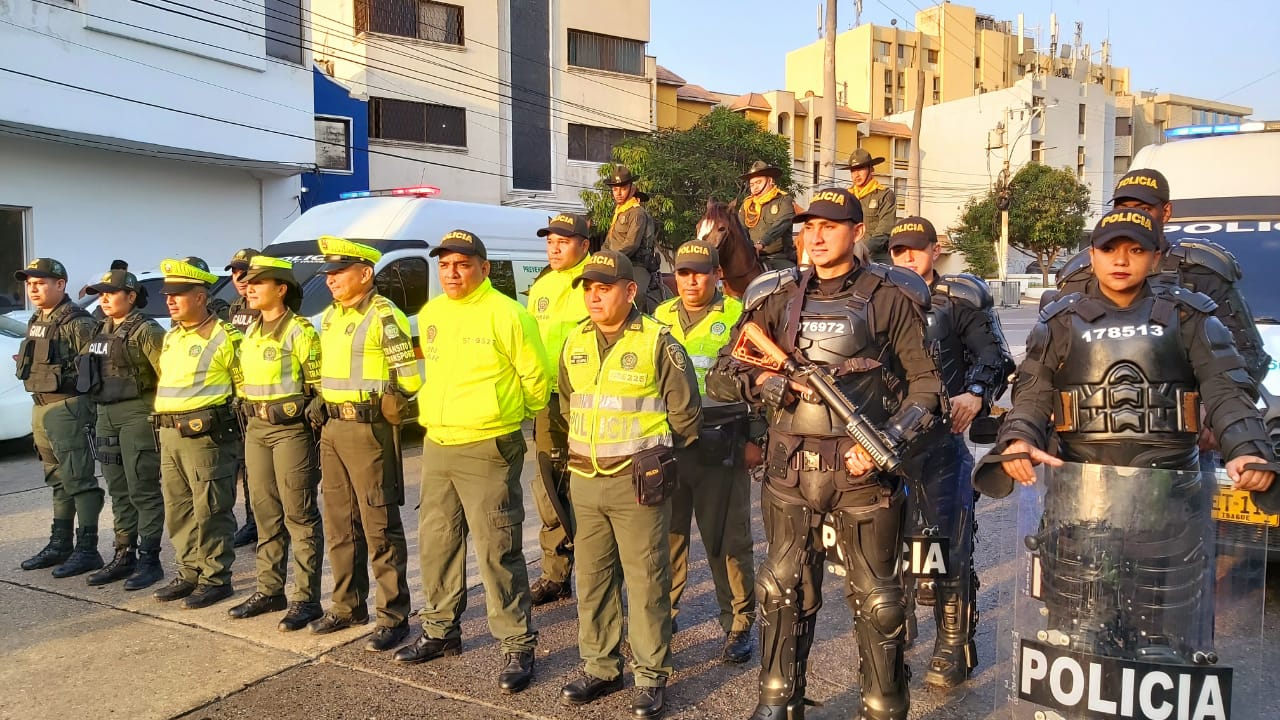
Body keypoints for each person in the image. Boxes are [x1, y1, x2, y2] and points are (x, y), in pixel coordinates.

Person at [974, 208, 1277, 660]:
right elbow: (1032, 394)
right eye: (1110, 249)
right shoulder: (1058, 321)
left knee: (1164, 652)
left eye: (1136, 250)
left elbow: (1227, 390)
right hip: (1080, 509)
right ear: (1092, 256)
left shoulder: (1190, 315)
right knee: (1080, 646)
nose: (1122, 260)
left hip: (1169, 508)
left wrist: (1248, 449)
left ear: (1156, 258)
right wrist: (1019, 439)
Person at [706, 188, 944, 720]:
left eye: (830, 226)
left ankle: (884, 705)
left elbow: (929, 389)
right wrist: (772, 385)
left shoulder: (889, 296)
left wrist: (889, 441)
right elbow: (725, 372)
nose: (815, 235)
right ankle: (776, 700)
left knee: (878, 601)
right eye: (809, 225)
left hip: (862, 473)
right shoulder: (777, 295)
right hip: (789, 466)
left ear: (857, 233)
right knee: (778, 588)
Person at [394, 230, 548, 692]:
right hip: (439, 443)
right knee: (437, 542)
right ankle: (441, 630)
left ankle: (517, 644)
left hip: (487, 445)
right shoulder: (433, 313)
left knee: (496, 548)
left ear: (483, 267)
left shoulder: (509, 314)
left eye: (462, 264)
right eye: (444, 266)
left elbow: (536, 380)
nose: (452, 273)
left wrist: (503, 418)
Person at [557, 250, 701, 720]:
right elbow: (567, 405)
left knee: (646, 583)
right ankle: (601, 667)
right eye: (588, 288)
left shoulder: (660, 342)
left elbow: (686, 416)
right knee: (593, 580)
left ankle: (650, 675)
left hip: (638, 484)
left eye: (605, 287)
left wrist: (658, 458)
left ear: (630, 291)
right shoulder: (573, 341)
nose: (594, 296)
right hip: (586, 480)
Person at [887, 217, 1014, 688]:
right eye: (897, 252)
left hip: (941, 441)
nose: (906, 260)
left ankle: (951, 645)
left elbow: (995, 356)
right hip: (885, 443)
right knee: (888, 549)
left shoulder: (958, 298)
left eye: (914, 251)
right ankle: (892, 636)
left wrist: (977, 393)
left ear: (933, 250)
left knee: (946, 550)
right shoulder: (878, 297)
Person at [1054, 168, 1271, 388]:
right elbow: (1049, 365)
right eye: (1123, 209)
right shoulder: (1082, 274)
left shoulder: (1202, 273)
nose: (1133, 217)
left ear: (1166, 212)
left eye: (1144, 209)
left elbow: (1248, 358)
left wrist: (1209, 406)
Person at [309, 236, 421, 652]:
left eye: (339, 273)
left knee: (379, 525)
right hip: (333, 429)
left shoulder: (383, 314)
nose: (332, 280)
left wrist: (388, 398)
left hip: (368, 430)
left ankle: (393, 614)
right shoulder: (330, 317)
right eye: (330, 274)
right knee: (340, 523)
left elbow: (408, 378)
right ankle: (346, 605)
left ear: (365, 273)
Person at [651, 240, 757, 664]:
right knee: (667, 537)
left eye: (700, 272)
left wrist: (757, 438)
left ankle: (738, 623)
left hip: (721, 444)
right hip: (668, 444)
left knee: (726, 541)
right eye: (683, 272)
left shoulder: (737, 315)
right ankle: (665, 614)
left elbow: (759, 380)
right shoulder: (657, 317)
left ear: (716, 274)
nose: (691, 280)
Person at [226, 256, 326, 632]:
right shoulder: (250, 330)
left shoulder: (299, 330)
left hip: (289, 432)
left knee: (298, 514)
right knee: (265, 512)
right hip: (255, 429)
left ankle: (305, 599)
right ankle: (270, 590)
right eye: (248, 282)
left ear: (281, 288)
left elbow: (317, 388)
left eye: (258, 282)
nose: (249, 288)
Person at [150, 257, 243, 609]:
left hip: (205, 436)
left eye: (178, 294)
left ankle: (216, 577)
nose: (170, 300)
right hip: (170, 434)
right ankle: (189, 572)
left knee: (211, 508)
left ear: (201, 296)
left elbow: (243, 385)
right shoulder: (173, 335)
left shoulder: (226, 336)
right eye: (167, 294)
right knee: (179, 508)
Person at [78, 269, 167, 590]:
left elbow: (167, 377)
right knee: (117, 487)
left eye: (111, 292)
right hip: (105, 414)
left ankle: (149, 559)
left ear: (130, 296)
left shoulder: (147, 330)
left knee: (142, 487)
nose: (103, 298)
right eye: (101, 292)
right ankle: (123, 553)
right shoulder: (100, 328)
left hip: (137, 413)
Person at [16, 258, 104, 578]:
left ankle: (88, 549)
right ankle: (60, 543)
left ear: (60, 285)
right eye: (30, 283)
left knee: (79, 480)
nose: (33, 288)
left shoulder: (77, 322)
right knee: (57, 479)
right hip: (42, 407)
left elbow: (95, 371)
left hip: (68, 407)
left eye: (40, 283)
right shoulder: (38, 319)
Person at [525, 213, 592, 605]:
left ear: (584, 245)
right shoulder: (541, 286)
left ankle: (595, 569)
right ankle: (555, 572)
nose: (553, 247)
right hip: (546, 401)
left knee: (587, 484)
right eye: (550, 240)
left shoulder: (596, 284)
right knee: (549, 486)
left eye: (563, 241)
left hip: (585, 401)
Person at [225, 248, 261, 549]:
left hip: (266, 398)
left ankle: (270, 524)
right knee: (246, 463)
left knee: (266, 470)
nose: (238, 277)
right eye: (235, 271)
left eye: (244, 270)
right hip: (239, 399)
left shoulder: (271, 305)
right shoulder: (234, 307)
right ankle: (252, 522)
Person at [603, 165, 662, 313]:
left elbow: (632, 244)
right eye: (615, 189)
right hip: (615, 263)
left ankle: (640, 323)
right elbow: (608, 242)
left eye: (622, 188)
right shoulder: (618, 213)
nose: (618, 193)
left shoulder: (637, 213)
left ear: (632, 188)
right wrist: (600, 258)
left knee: (636, 295)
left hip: (636, 265)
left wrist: (613, 259)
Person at [737, 161, 797, 270]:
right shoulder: (747, 205)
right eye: (752, 184)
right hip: (752, 258)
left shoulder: (783, 200)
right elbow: (740, 229)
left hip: (778, 258)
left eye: (758, 182)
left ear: (770, 181)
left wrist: (762, 244)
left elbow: (780, 225)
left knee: (793, 281)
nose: (754, 187)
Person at [843, 148, 897, 264]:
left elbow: (884, 231)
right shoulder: (846, 196)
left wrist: (860, 250)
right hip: (847, 253)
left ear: (871, 169)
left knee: (889, 276)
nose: (856, 175)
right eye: (853, 170)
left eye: (860, 169)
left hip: (875, 254)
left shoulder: (885, 195)